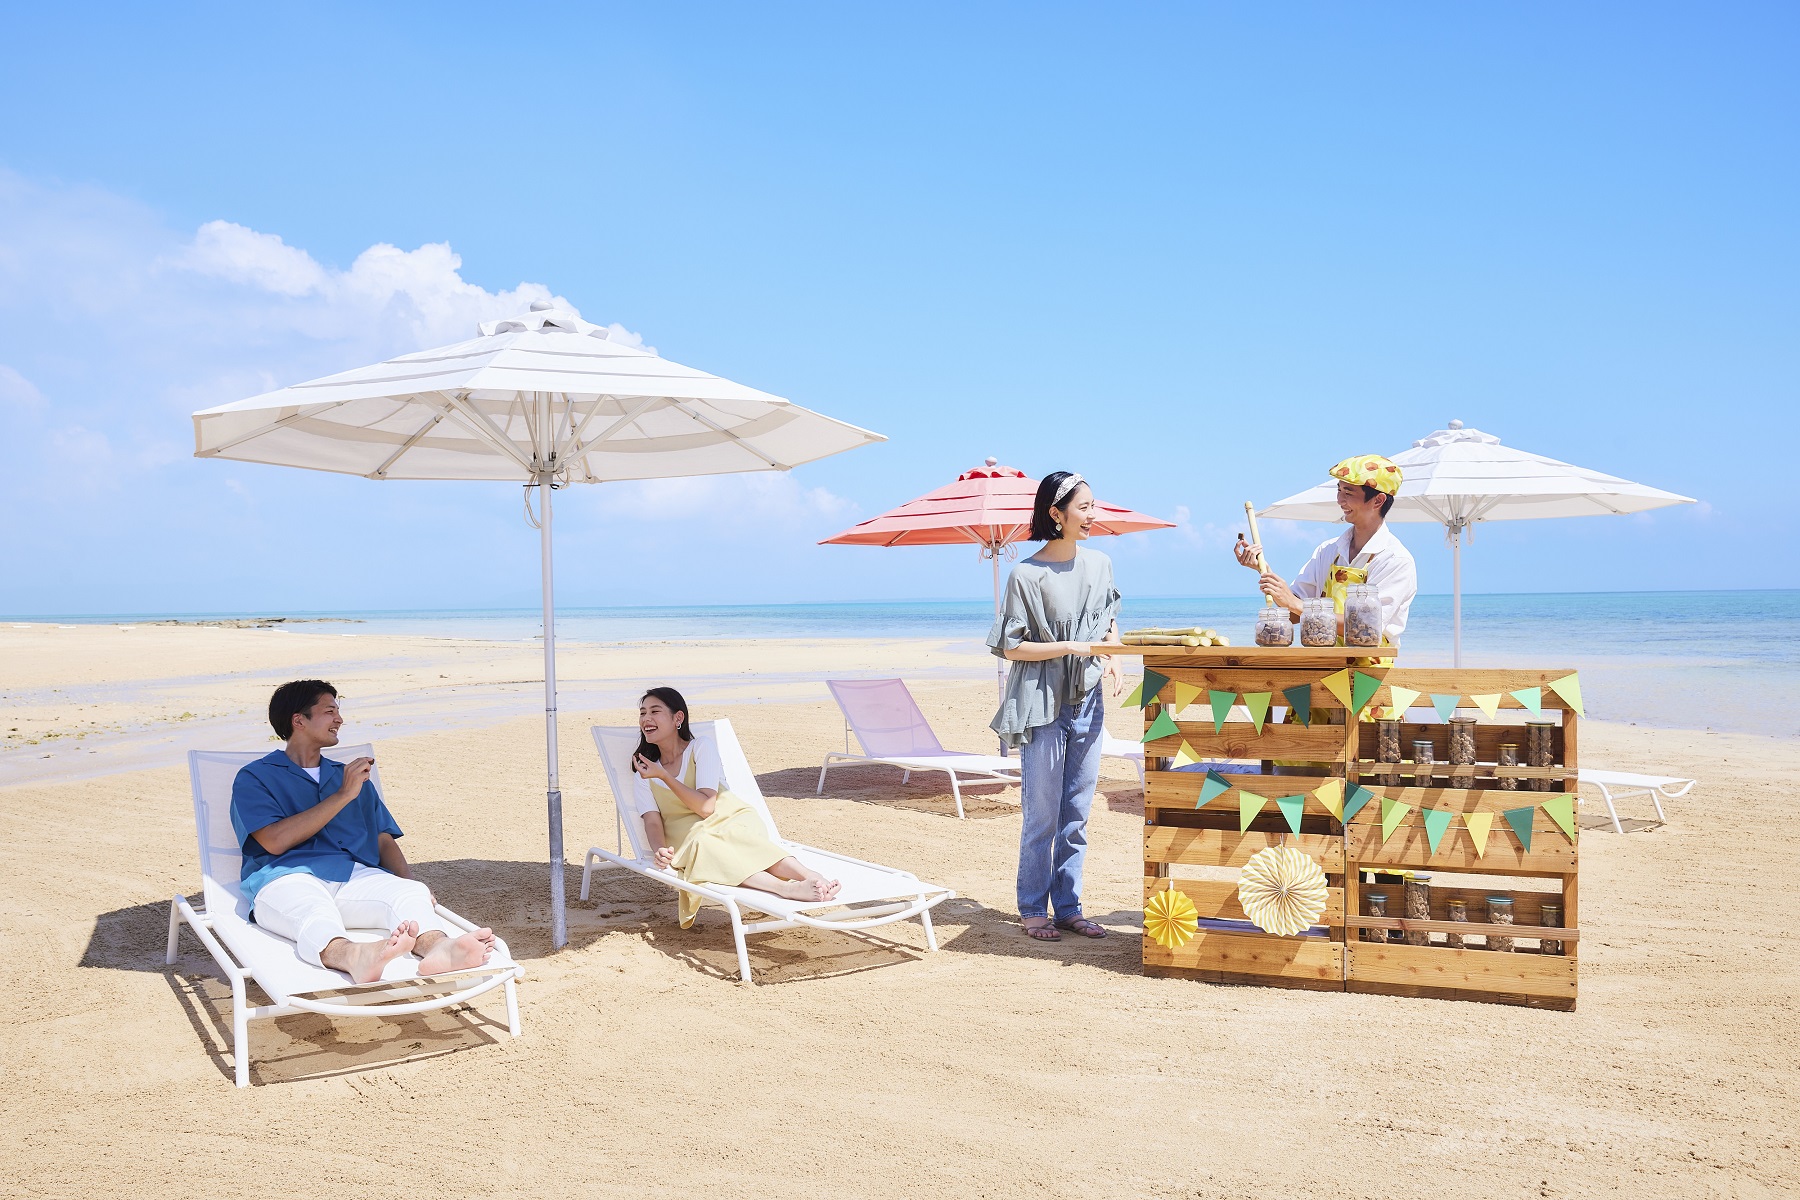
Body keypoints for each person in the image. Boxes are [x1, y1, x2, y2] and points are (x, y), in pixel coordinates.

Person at [231, 680, 496, 984]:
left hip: (350, 876)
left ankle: (440, 948)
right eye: (329, 711)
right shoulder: (255, 777)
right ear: (298, 720)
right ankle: (354, 956)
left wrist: (411, 882)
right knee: (313, 910)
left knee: (409, 893)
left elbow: (382, 838)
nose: (339, 719)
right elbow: (274, 841)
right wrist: (343, 795)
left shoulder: (350, 777)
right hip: (283, 877)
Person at [988, 471, 1125, 942]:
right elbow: (1010, 648)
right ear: (1056, 514)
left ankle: (1069, 907)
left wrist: (1113, 656)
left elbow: (1107, 622)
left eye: (1093, 506)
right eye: (1084, 508)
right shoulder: (1025, 575)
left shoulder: (1101, 564)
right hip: (1041, 703)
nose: (1092, 515)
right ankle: (1032, 908)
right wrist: (1069, 647)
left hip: (1089, 699)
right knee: (1042, 814)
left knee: (1078, 812)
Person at [631, 686, 840, 928]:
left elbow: (706, 806)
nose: (646, 719)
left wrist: (665, 776)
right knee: (707, 844)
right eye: (642, 713)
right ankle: (786, 889)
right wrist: (659, 849)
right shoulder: (645, 773)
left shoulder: (701, 748)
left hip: (727, 815)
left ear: (678, 718)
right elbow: (652, 821)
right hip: (689, 835)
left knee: (737, 836)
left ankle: (810, 875)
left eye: (654, 711)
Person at [1235, 454, 1418, 645]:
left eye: (1348, 493)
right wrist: (1264, 570)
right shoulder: (1328, 550)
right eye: (1339, 490)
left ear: (1378, 501)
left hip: (1368, 665)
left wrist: (1296, 604)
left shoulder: (1395, 559)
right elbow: (1293, 615)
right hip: (1323, 661)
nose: (1340, 500)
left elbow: (1367, 627)